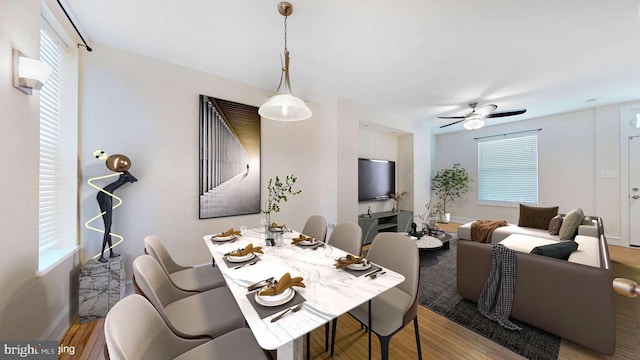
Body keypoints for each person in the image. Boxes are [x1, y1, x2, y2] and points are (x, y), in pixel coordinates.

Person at [97, 171, 137, 262]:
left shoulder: (110, 190)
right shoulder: (107, 192)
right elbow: (133, 179)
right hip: (104, 196)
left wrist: (128, 177)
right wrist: (128, 177)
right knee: (108, 225)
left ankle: (111, 252)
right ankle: (102, 255)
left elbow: (134, 180)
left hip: (105, 194)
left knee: (108, 225)